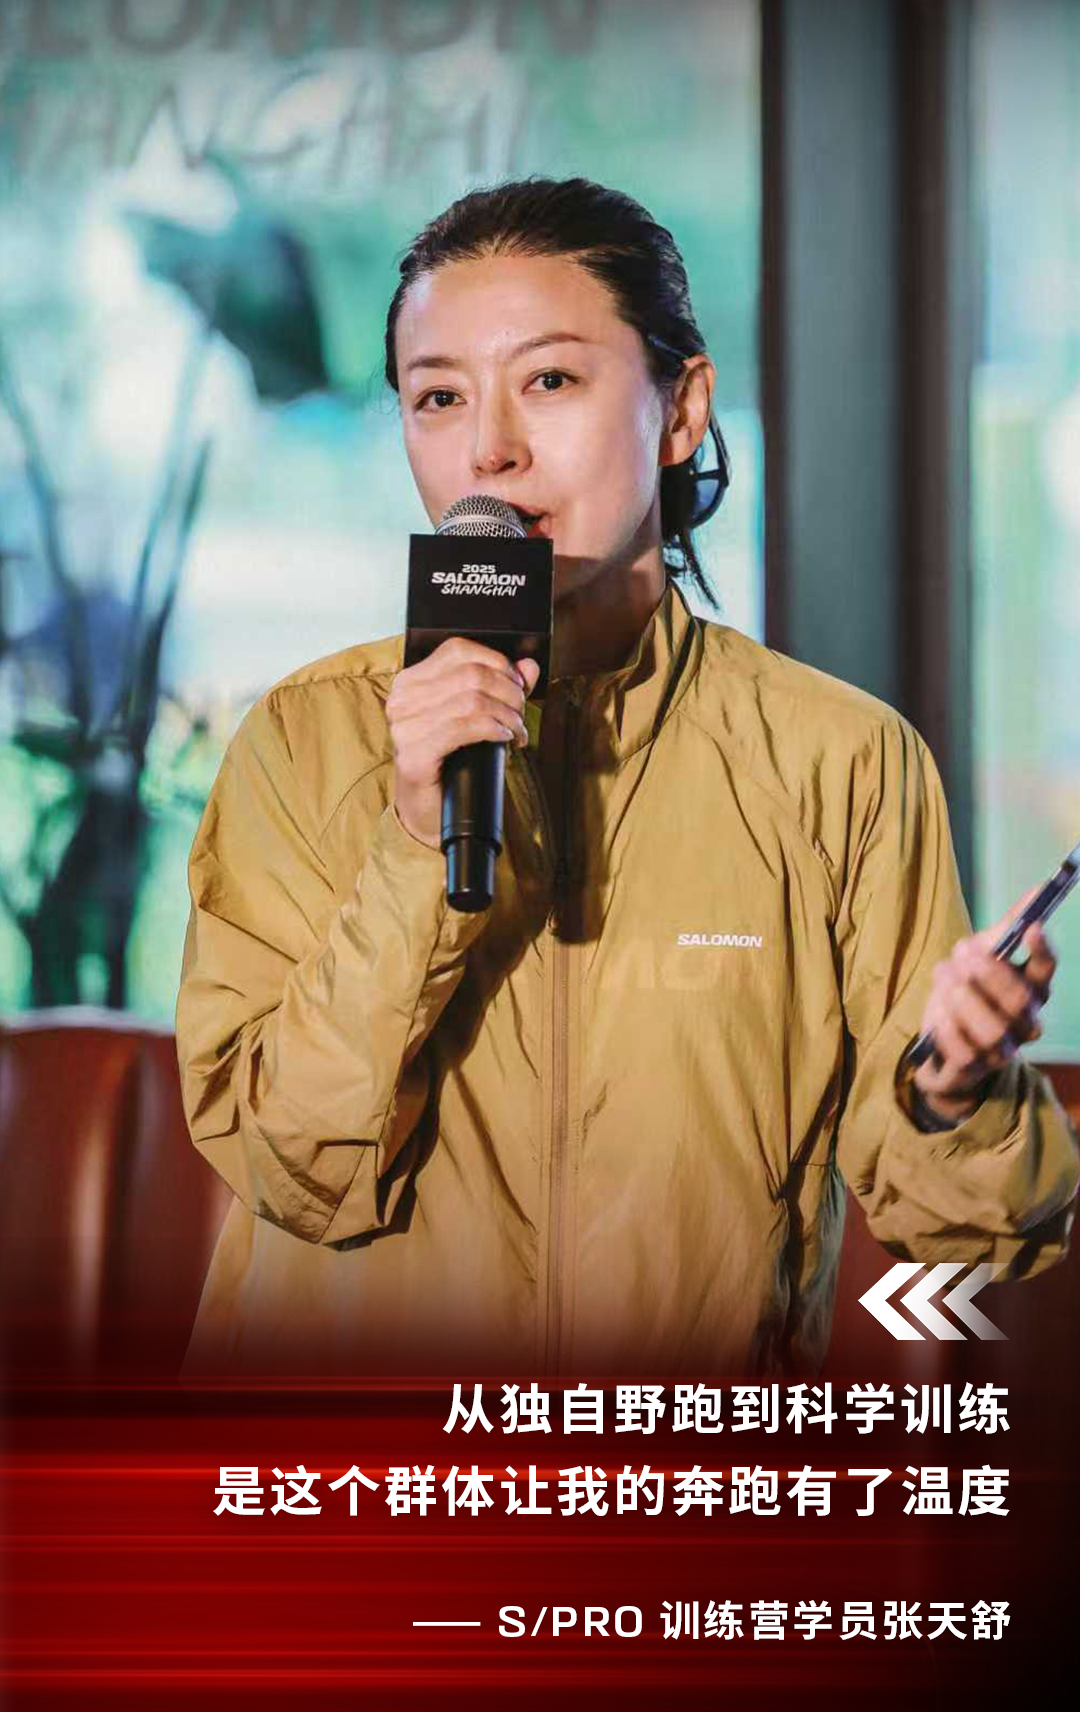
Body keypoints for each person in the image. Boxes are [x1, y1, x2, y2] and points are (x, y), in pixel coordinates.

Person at [175, 175, 1079, 1379]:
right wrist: (412, 847)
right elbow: (288, 1167)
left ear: (681, 408)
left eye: (549, 380)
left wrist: (953, 1091)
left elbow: (966, 1232)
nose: (489, 447)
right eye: (438, 396)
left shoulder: (841, 763)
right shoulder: (301, 741)